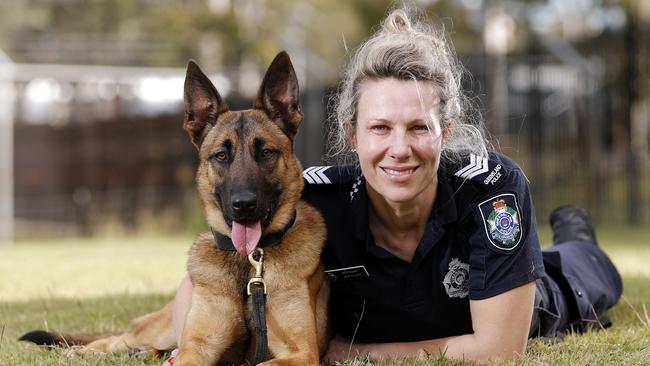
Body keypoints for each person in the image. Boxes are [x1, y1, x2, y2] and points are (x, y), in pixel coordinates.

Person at [165, 8, 622, 365]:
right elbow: (209, 275)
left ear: (447, 129)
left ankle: (577, 234)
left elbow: (500, 349)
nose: (399, 149)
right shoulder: (311, 200)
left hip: (550, 293)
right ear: (352, 134)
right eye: (380, 128)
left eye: (419, 128)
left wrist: (353, 353)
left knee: (587, 267)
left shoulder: (493, 189)